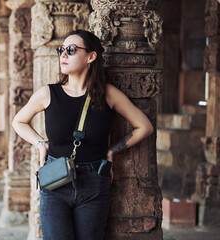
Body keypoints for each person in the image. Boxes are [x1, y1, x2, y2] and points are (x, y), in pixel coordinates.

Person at [12, 30, 154, 240]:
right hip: (56, 181)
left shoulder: (108, 94)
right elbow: (19, 122)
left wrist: (113, 150)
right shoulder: (48, 93)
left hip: (94, 182)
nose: (63, 55)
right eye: (61, 50)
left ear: (91, 56)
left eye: (71, 50)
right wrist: (40, 143)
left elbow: (144, 126)